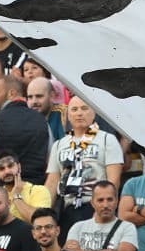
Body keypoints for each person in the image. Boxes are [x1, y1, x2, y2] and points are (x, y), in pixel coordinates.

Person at [44, 96, 123, 234]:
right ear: (68, 116)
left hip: (96, 207)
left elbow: (114, 180)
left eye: (84, 108)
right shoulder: (59, 145)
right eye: (74, 109)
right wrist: (46, 214)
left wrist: (105, 208)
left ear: (93, 113)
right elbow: (52, 182)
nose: (79, 113)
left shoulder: (107, 140)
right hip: (67, 208)